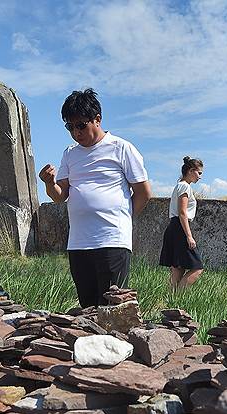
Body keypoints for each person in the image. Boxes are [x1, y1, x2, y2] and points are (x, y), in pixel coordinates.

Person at [38, 88, 153, 308]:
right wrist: (49, 183)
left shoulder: (121, 148)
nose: (76, 132)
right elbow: (60, 196)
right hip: (79, 243)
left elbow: (143, 192)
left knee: (112, 309)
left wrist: (123, 219)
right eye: (70, 127)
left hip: (112, 240)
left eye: (81, 125)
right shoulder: (70, 154)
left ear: (97, 119)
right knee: (87, 309)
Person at [159, 156, 205, 289]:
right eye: (199, 173)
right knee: (197, 267)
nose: (200, 177)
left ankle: (172, 301)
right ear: (191, 171)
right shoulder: (185, 187)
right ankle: (179, 297)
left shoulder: (179, 186)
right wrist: (189, 236)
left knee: (177, 268)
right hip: (179, 228)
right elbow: (183, 212)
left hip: (174, 227)